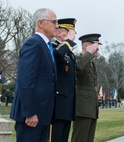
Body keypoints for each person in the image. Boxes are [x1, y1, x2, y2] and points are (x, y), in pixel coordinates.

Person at [10, 8, 58, 142]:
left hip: (42, 115)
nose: (57, 26)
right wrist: (30, 113)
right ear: (41, 23)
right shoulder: (34, 44)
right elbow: (25, 81)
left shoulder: (46, 46)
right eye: (53, 22)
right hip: (31, 117)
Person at [51, 18, 77, 142]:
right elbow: (57, 56)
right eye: (69, 32)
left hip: (67, 105)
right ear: (58, 33)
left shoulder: (69, 53)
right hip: (57, 105)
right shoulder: (53, 47)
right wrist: (68, 42)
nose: (73, 35)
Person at [71, 33, 101, 142]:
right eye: (95, 47)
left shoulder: (91, 63)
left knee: (89, 139)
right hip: (82, 108)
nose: (97, 50)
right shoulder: (78, 58)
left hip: (91, 108)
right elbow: (78, 68)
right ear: (86, 46)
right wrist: (89, 53)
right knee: (79, 139)